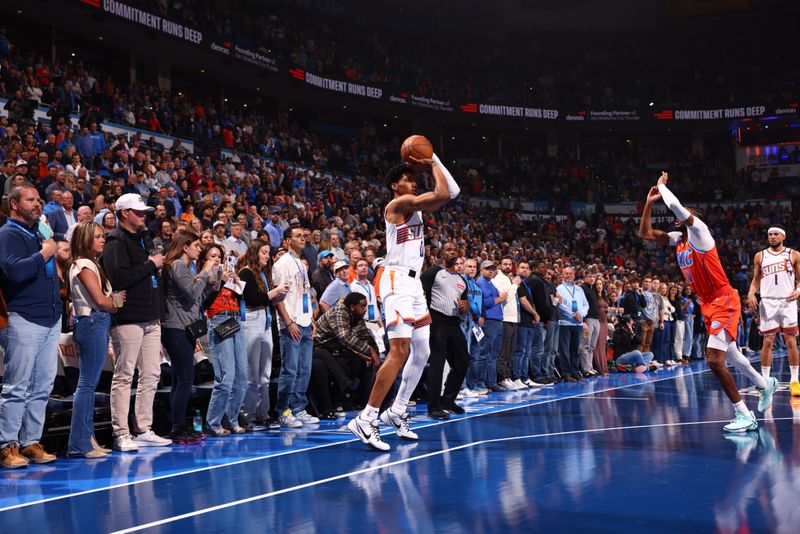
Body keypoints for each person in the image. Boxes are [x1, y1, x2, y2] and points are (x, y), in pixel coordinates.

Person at [638, 172, 777, 433]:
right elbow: (645, 233)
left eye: (685, 214)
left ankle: (744, 414)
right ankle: (763, 383)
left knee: (714, 359)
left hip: (723, 298)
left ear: (693, 218)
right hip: (707, 302)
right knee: (732, 353)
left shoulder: (700, 232)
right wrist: (648, 203)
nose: (678, 218)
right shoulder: (678, 240)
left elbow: (676, 206)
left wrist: (661, 187)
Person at [347, 151, 458, 451]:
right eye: (406, 179)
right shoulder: (399, 204)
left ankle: (397, 411)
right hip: (395, 278)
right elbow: (444, 192)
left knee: (423, 351)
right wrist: (433, 159)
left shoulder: (417, 206)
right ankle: (366, 418)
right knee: (399, 351)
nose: (411, 183)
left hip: (413, 282)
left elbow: (453, 191)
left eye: (413, 179)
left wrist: (436, 159)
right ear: (395, 186)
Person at [102, 193, 172, 451]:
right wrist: (150, 264)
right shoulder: (115, 241)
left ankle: (143, 427)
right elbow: (119, 278)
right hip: (128, 317)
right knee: (124, 375)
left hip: (150, 316)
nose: (144, 216)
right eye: (139, 212)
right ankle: (121, 432)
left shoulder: (144, 239)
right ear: (124, 214)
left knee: (152, 373)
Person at [0, 186, 61, 468]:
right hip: (24, 316)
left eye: (39, 199)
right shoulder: (8, 234)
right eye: (31, 200)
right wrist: (45, 254)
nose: (38, 204)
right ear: (14, 204)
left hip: (50, 317)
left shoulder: (39, 232)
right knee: (16, 386)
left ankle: (30, 442)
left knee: (42, 387)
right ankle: (7, 446)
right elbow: (14, 271)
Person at [67, 221, 124, 458]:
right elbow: (101, 302)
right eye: (98, 236)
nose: (103, 239)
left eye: (103, 235)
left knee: (89, 384)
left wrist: (113, 302)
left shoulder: (91, 264)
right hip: (92, 322)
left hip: (95, 322)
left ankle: (87, 439)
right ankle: (80, 443)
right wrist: (116, 302)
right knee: (87, 385)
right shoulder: (84, 264)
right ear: (85, 239)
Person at [161, 231, 216, 444]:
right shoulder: (177, 266)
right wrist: (204, 272)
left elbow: (197, 299)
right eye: (195, 245)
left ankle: (178, 425)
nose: (199, 249)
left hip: (186, 326)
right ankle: (178, 426)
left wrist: (214, 281)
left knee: (181, 378)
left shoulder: (185, 267)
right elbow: (192, 293)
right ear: (185, 247)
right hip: (175, 327)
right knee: (184, 378)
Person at [237, 239, 290, 426]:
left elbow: (265, 299)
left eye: (268, 253)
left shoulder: (263, 274)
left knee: (265, 373)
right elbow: (252, 299)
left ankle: (263, 412)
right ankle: (247, 414)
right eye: (264, 253)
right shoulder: (245, 273)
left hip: (265, 320)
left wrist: (278, 295)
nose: (267, 256)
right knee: (252, 372)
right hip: (251, 320)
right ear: (254, 253)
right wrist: (275, 292)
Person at [272, 227, 319, 428]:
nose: (302, 238)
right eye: (297, 236)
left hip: (305, 323)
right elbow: (277, 297)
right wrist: (288, 322)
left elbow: (305, 294)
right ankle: (283, 410)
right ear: (287, 241)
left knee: (304, 370)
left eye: (303, 235)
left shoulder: (300, 263)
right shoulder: (282, 264)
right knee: (290, 370)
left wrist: (311, 320)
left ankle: (299, 408)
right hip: (291, 323)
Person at [747, 227, 800, 397]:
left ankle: (794, 381)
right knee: (768, 341)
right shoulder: (760, 256)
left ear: (783, 236)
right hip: (768, 301)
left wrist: (798, 291)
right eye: (770, 234)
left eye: (776, 234)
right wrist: (750, 293)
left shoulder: (794, 254)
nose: (772, 237)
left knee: (791, 341)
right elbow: (756, 281)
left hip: (787, 301)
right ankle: (765, 383)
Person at [420, 241, 470, 419]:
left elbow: (464, 303)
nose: (452, 252)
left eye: (455, 250)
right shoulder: (433, 272)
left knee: (463, 362)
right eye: (448, 250)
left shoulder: (461, 280)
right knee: (437, 364)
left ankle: (448, 399)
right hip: (437, 321)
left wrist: (466, 307)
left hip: (454, 323)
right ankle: (433, 407)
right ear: (442, 253)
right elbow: (420, 295)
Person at [202, 243, 248, 436]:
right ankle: (213, 422)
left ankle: (232, 419)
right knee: (226, 377)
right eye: (212, 256)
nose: (217, 259)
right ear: (204, 259)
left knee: (242, 377)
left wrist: (237, 282)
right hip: (219, 319)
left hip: (235, 317)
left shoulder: (226, 274)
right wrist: (220, 279)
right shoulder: (204, 276)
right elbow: (205, 302)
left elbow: (243, 299)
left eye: (219, 256)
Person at [313, 292, 381, 418]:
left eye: (366, 306)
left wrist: (375, 354)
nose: (365, 309)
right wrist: (370, 352)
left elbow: (365, 335)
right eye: (362, 306)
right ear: (352, 307)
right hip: (317, 348)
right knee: (339, 363)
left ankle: (362, 401)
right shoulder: (338, 312)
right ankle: (344, 388)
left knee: (363, 362)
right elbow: (345, 337)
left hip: (335, 349)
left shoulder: (356, 315)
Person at [556, 266, 589, 382]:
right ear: (562, 275)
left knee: (575, 349)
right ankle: (566, 373)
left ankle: (575, 372)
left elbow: (586, 305)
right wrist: (572, 314)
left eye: (570, 273)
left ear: (574, 275)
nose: (568, 275)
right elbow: (560, 305)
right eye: (566, 273)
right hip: (565, 323)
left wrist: (581, 314)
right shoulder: (559, 289)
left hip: (578, 324)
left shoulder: (579, 289)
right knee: (565, 350)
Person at [477, 260, 506, 391]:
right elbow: (484, 302)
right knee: (486, 353)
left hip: (497, 320)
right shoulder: (480, 283)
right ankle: (482, 382)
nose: (490, 271)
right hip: (489, 321)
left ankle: (491, 381)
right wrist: (500, 299)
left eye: (492, 269)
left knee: (493, 354)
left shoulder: (490, 283)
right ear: (481, 270)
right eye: (488, 269)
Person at [513, 260, 541, 388]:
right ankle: (517, 377)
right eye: (522, 267)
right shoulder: (517, 282)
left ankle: (525, 377)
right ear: (517, 269)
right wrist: (535, 313)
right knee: (520, 351)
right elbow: (523, 301)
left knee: (527, 351)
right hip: (522, 322)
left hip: (529, 322)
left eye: (526, 268)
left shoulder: (526, 284)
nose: (524, 270)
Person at [592, 277, 610, 376]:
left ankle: (604, 368)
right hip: (597, 321)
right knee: (597, 346)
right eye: (597, 284)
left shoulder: (604, 296)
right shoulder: (594, 297)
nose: (599, 286)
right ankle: (599, 369)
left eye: (600, 284)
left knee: (602, 346)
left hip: (605, 323)